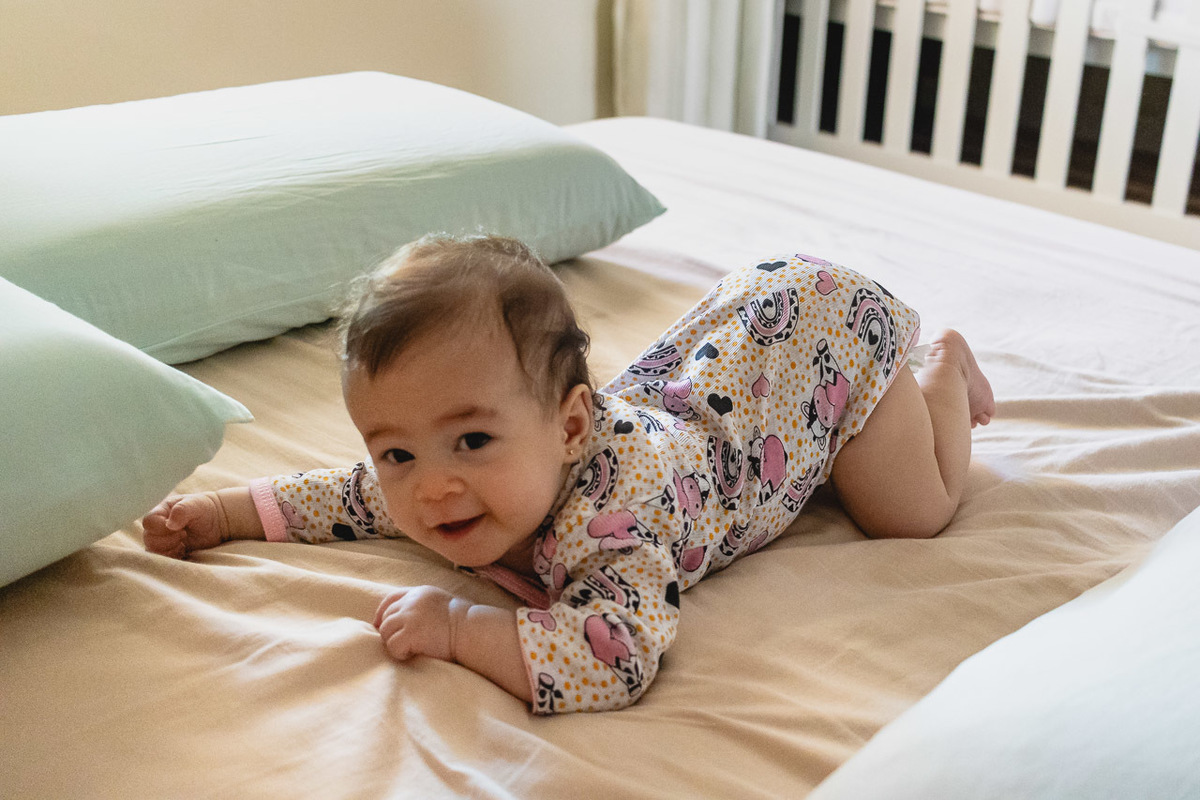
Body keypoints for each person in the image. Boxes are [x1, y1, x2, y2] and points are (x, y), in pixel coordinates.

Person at [142, 234, 995, 714]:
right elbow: (347, 495)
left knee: (913, 511)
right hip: (745, 345)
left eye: (472, 441)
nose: (430, 488)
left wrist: (455, 627)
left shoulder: (615, 520)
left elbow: (618, 655)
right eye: (396, 451)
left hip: (825, 343)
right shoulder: (441, 479)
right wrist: (221, 515)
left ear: (570, 426)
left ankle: (943, 376)